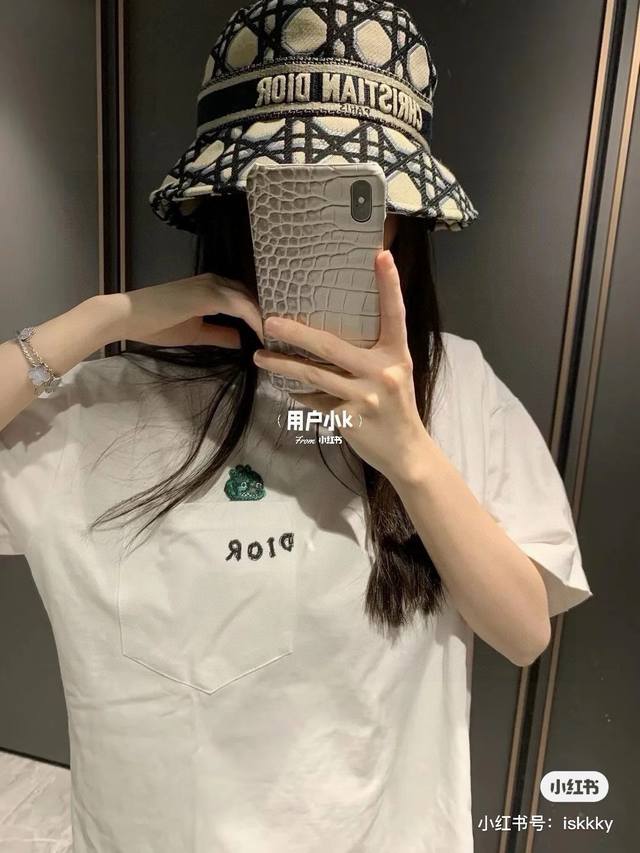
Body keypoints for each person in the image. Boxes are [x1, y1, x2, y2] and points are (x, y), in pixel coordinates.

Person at [0, 1, 593, 851]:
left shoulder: (455, 387)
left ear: (404, 217)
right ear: (230, 202)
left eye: (357, 196)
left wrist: (411, 456)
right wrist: (102, 318)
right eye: (281, 190)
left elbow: (525, 631)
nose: (324, 227)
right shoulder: (110, 402)